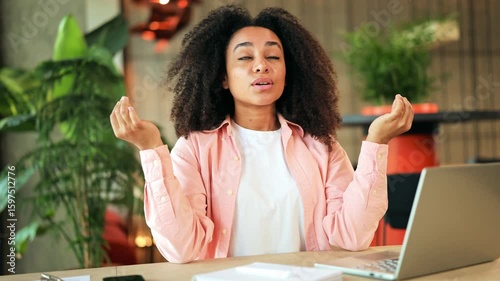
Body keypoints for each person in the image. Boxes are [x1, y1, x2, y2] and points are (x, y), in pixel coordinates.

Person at [110, 4, 414, 263]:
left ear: (287, 72)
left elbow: (353, 236)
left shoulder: (322, 146)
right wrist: (151, 149)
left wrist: (377, 142)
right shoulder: (195, 149)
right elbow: (181, 249)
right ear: (223, 78)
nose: (261, 66)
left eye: (273, 57)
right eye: (245, 58)